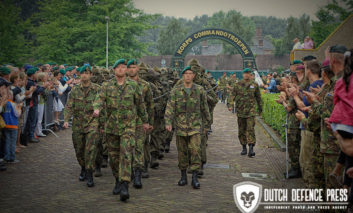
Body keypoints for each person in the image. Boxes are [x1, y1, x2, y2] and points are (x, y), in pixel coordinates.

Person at [93, 59, 148, 201]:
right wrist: (97, 108)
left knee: (126, 155)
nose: (121, 69)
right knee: (114, 157)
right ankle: (117, 179)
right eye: (118, 67)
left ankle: (124, 185)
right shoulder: (107, 85)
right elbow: (99, 98)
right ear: (114, 70)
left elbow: (140, 105)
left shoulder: (134, 86)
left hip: (128, 127)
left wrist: (145, 121)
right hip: (111, 128)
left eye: (124, 67)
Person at [165, 66, 211, 189]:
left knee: (195, 151)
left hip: (195, 127)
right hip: (180, 127)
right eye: (185, 74)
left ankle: (195, 177)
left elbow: (204, 108)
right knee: (182, 153)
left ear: (193, 76)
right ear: (183, 76)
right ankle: (183, 176)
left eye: (190, 73)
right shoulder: (176, 91)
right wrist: (168, 122)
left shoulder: (199, 90)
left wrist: (207, 124)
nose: (188, 76)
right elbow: (170, 107)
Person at [63, 65, 100, 188]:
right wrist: (66, 120)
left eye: (87, 73)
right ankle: (83, 167)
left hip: (92, 123)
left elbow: (101, 104)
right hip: (78, 124)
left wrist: (98, 112)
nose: (84, 75)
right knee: (79, 149)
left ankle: (90, 173)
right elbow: (69, 106)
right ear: (79, 75)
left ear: (91, 75)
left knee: (90, 149)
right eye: (82, 73)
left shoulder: (96, 89)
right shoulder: (74, 90)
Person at [127, 59, 154, 189]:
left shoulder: (145, 85)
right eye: (129, 67)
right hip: (124, 122)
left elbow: (150, 105)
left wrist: (150, 122)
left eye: (134, 67)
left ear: (137, 69)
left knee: (139, 147)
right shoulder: (121, 84)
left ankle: (138, 174)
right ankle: (128, 173)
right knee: (126, 149)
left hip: (140, 122)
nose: (132, 69)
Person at [228, 68, 262, 157]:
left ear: (250, 74)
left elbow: (258, 97)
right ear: (243, 75)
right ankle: (244, 147)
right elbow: (232, 95)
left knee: (250, 129)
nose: (246, 75)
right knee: (241, 130)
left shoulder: (254, 85)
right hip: (240, 111)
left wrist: (260, 108)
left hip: (251, 111)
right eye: (245, 73)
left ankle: (251, 148)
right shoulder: (238, 84)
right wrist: (230, 105)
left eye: (248, 73)